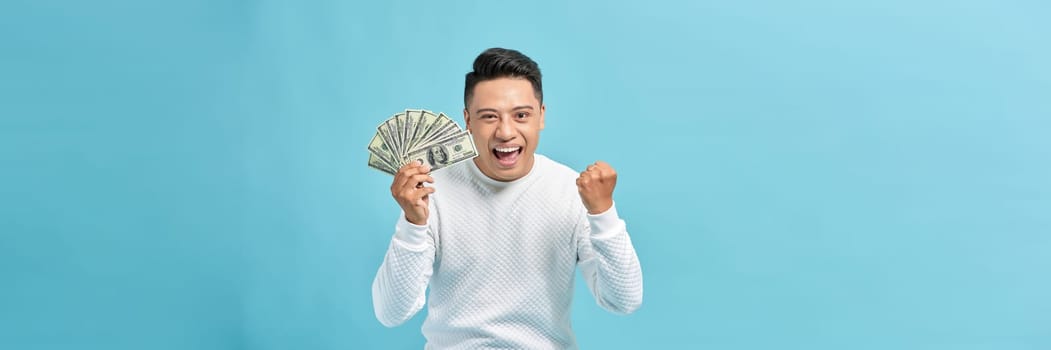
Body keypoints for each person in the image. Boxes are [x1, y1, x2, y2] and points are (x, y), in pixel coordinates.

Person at [372, 47, 643, 349]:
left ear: (541, 116)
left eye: (521, 115)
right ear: (468, 121)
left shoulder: (571, 190)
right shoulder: (431, 191)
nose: (505, 132)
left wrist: (603, 214)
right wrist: (413, 224)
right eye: (489, 117)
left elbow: (624, 300)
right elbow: (391, 313)